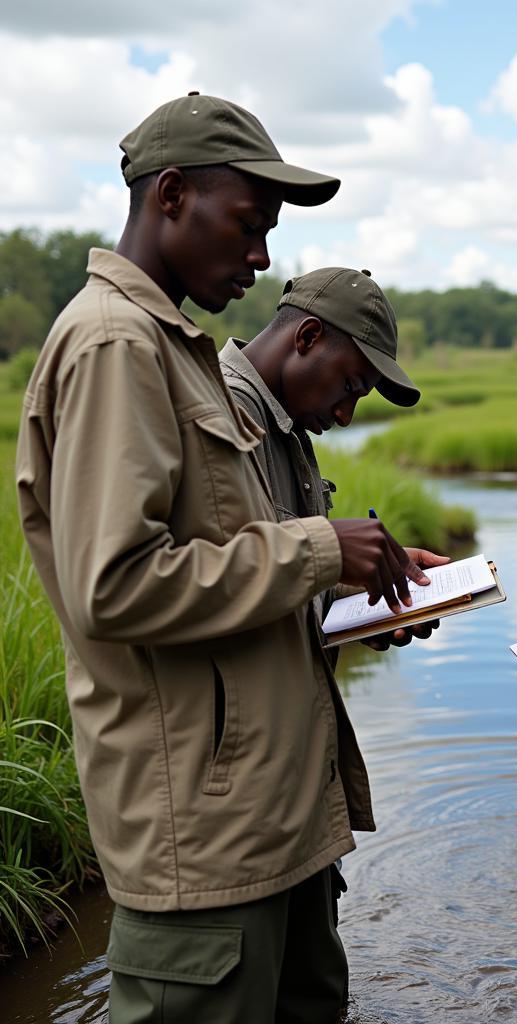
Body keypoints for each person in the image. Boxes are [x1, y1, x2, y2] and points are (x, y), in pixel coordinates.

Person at [16, 93, 433, 1023]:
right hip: (204, 843)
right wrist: (323, 550)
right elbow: (115, 587)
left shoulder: (177, 349)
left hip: (272, 820)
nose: (261, 258)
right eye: (250, 225)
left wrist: (365, 591)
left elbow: (232, 575)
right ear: (170, 196)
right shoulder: (114, 344)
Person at [218, 265, 449, 647]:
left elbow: (262, 583)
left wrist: (361, 602)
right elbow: (200, 590)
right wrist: (329, 549)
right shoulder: (223, 414)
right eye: (349, 387)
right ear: (308, 337)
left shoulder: (286, 421)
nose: (345, 416)